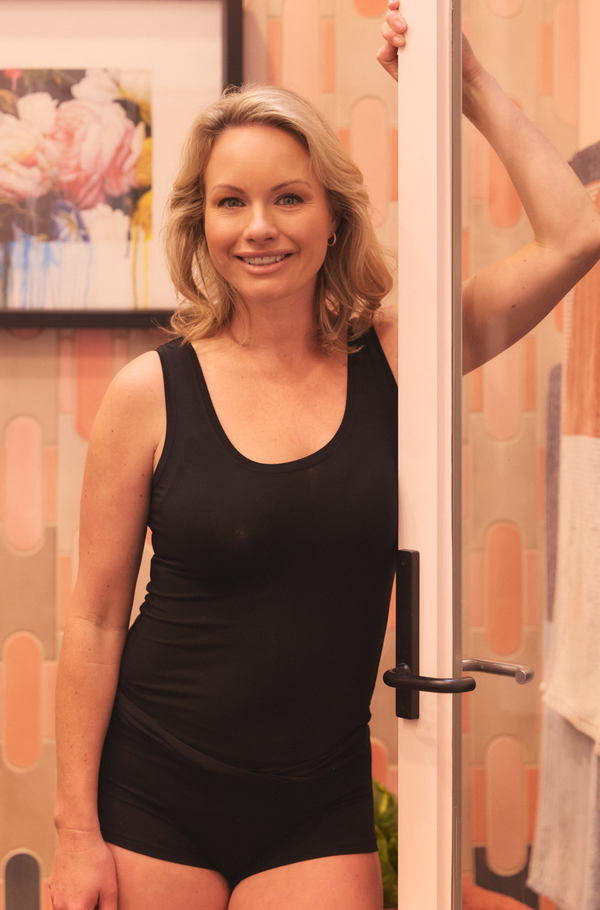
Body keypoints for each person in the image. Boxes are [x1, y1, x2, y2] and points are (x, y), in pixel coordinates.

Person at [49, 4, 600, 909]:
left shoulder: (401, 356)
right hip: (153, 789)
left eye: (289, 198)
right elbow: (97, 620)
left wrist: (463, 81)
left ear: (334, 217)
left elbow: (575, 236)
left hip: (316, 804)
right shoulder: (149, 392)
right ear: (201, 223)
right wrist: (76, 831)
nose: (258, 226)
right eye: (231, 201)